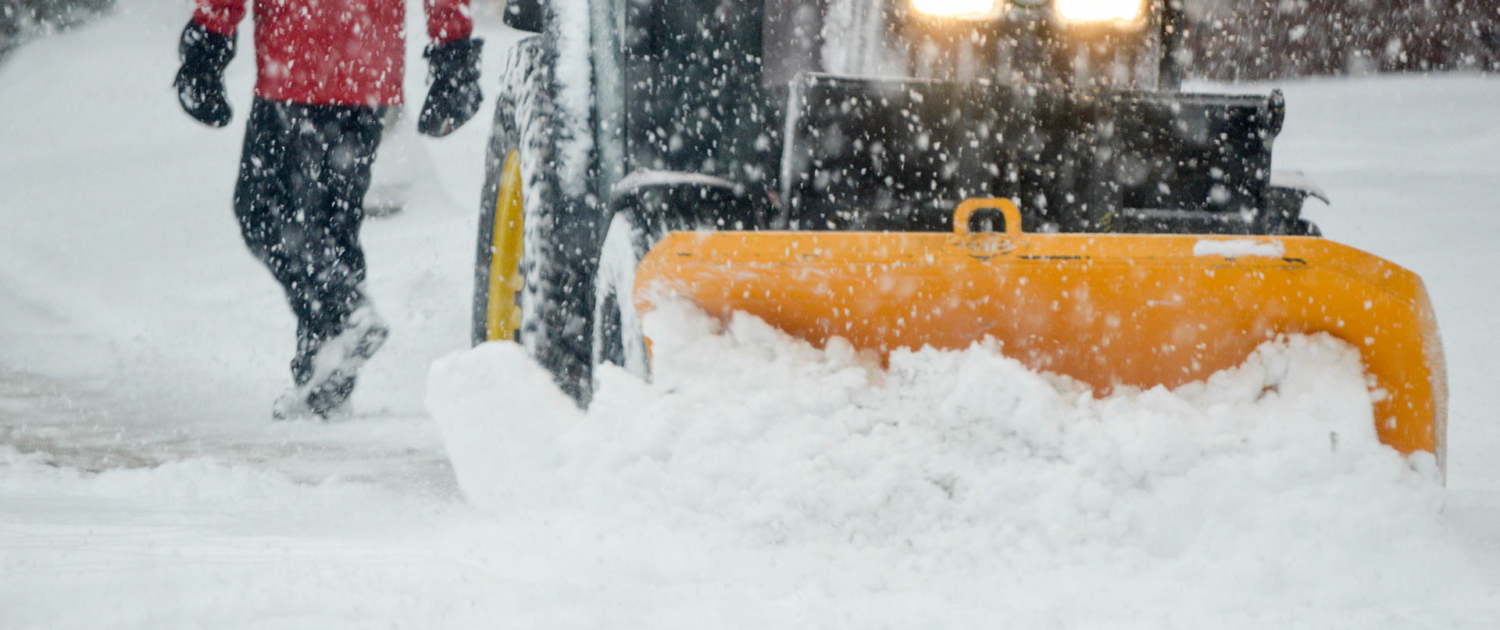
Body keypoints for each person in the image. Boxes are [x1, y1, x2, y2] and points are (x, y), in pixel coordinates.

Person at [172, 0, 482, 419]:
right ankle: (324, 386)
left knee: (263, 211)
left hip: (296, 63)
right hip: (366, 69)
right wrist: (453, 54)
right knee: (333, 228)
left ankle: (345, 312)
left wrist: (209, 41)